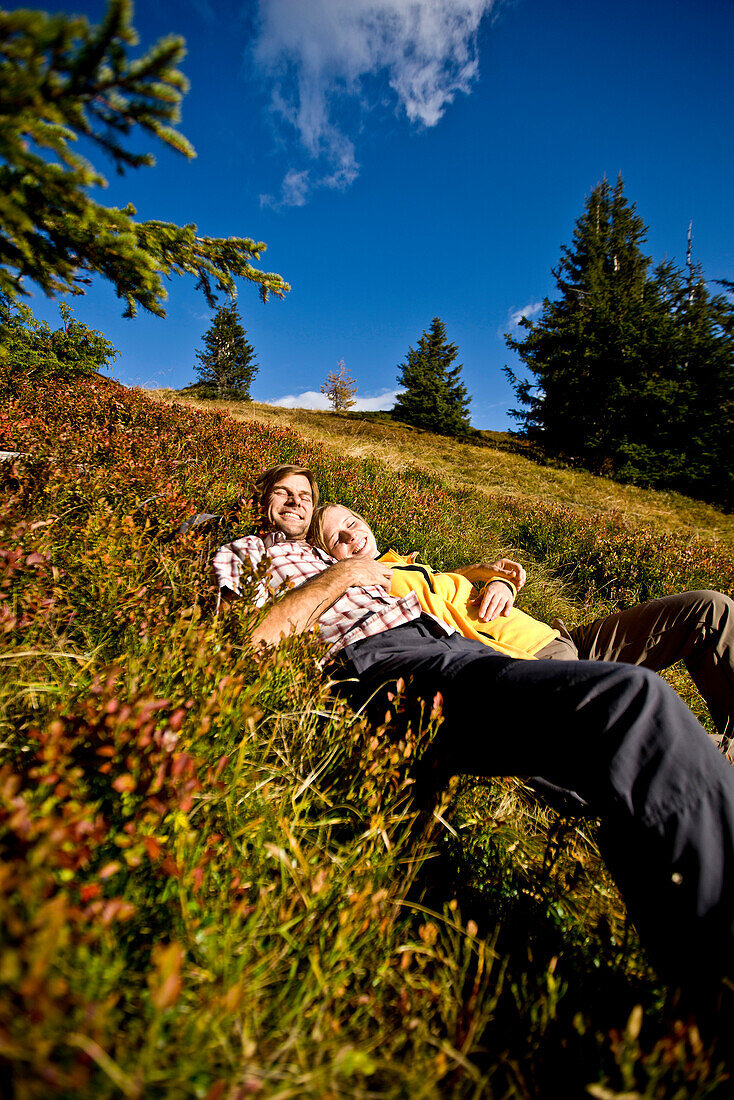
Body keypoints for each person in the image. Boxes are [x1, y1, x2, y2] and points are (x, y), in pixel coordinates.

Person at [213, 465, 734, 990]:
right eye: (283, 492)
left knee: (639, 718)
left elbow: (445, 583)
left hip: (454, 646)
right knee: (633, 701)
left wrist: (497, 577)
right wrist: (342, 577)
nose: (296, 502)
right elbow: (249, 641)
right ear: (260, 501)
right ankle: (717, 967)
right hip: (386, 661)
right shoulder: (243, 553)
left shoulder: (344, 555)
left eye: (306, 494)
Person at [308, 503, 734, 753]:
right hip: (537, 662)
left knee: (710, 609)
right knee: (642, 715)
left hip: (563, 638)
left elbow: (449, 583)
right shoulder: (368, 584)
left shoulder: (404, 562)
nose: (352, 535)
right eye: (337, 539)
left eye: (352, 521)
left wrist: (495, 577)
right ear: (328, 556)